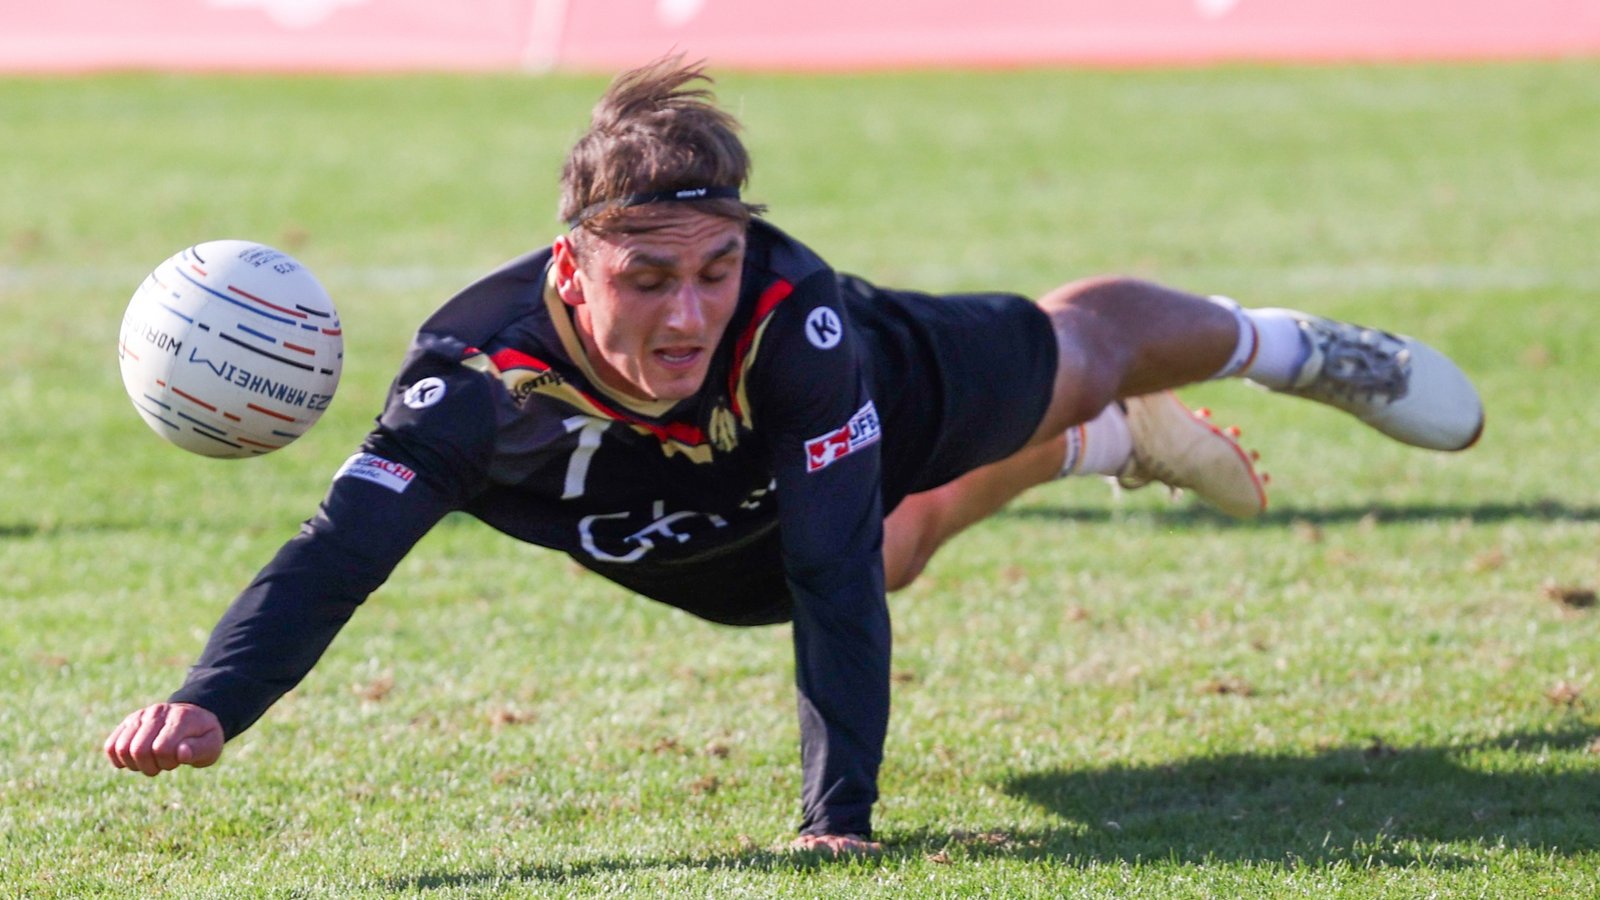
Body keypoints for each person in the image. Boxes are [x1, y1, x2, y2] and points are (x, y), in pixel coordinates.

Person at [104, 57, 1483, 856]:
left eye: (715, 267)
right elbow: (337, 555)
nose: (689, 312)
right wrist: (211, 701)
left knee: (1082, 351)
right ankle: (1095, 451)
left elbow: (831, 572)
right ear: (572, 267)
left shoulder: (796, 321)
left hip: (889, 391)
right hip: (666, 517)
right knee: (889, 552)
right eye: (649, 277)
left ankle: (1289, 348)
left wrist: (840, 816)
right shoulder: (472, 385)